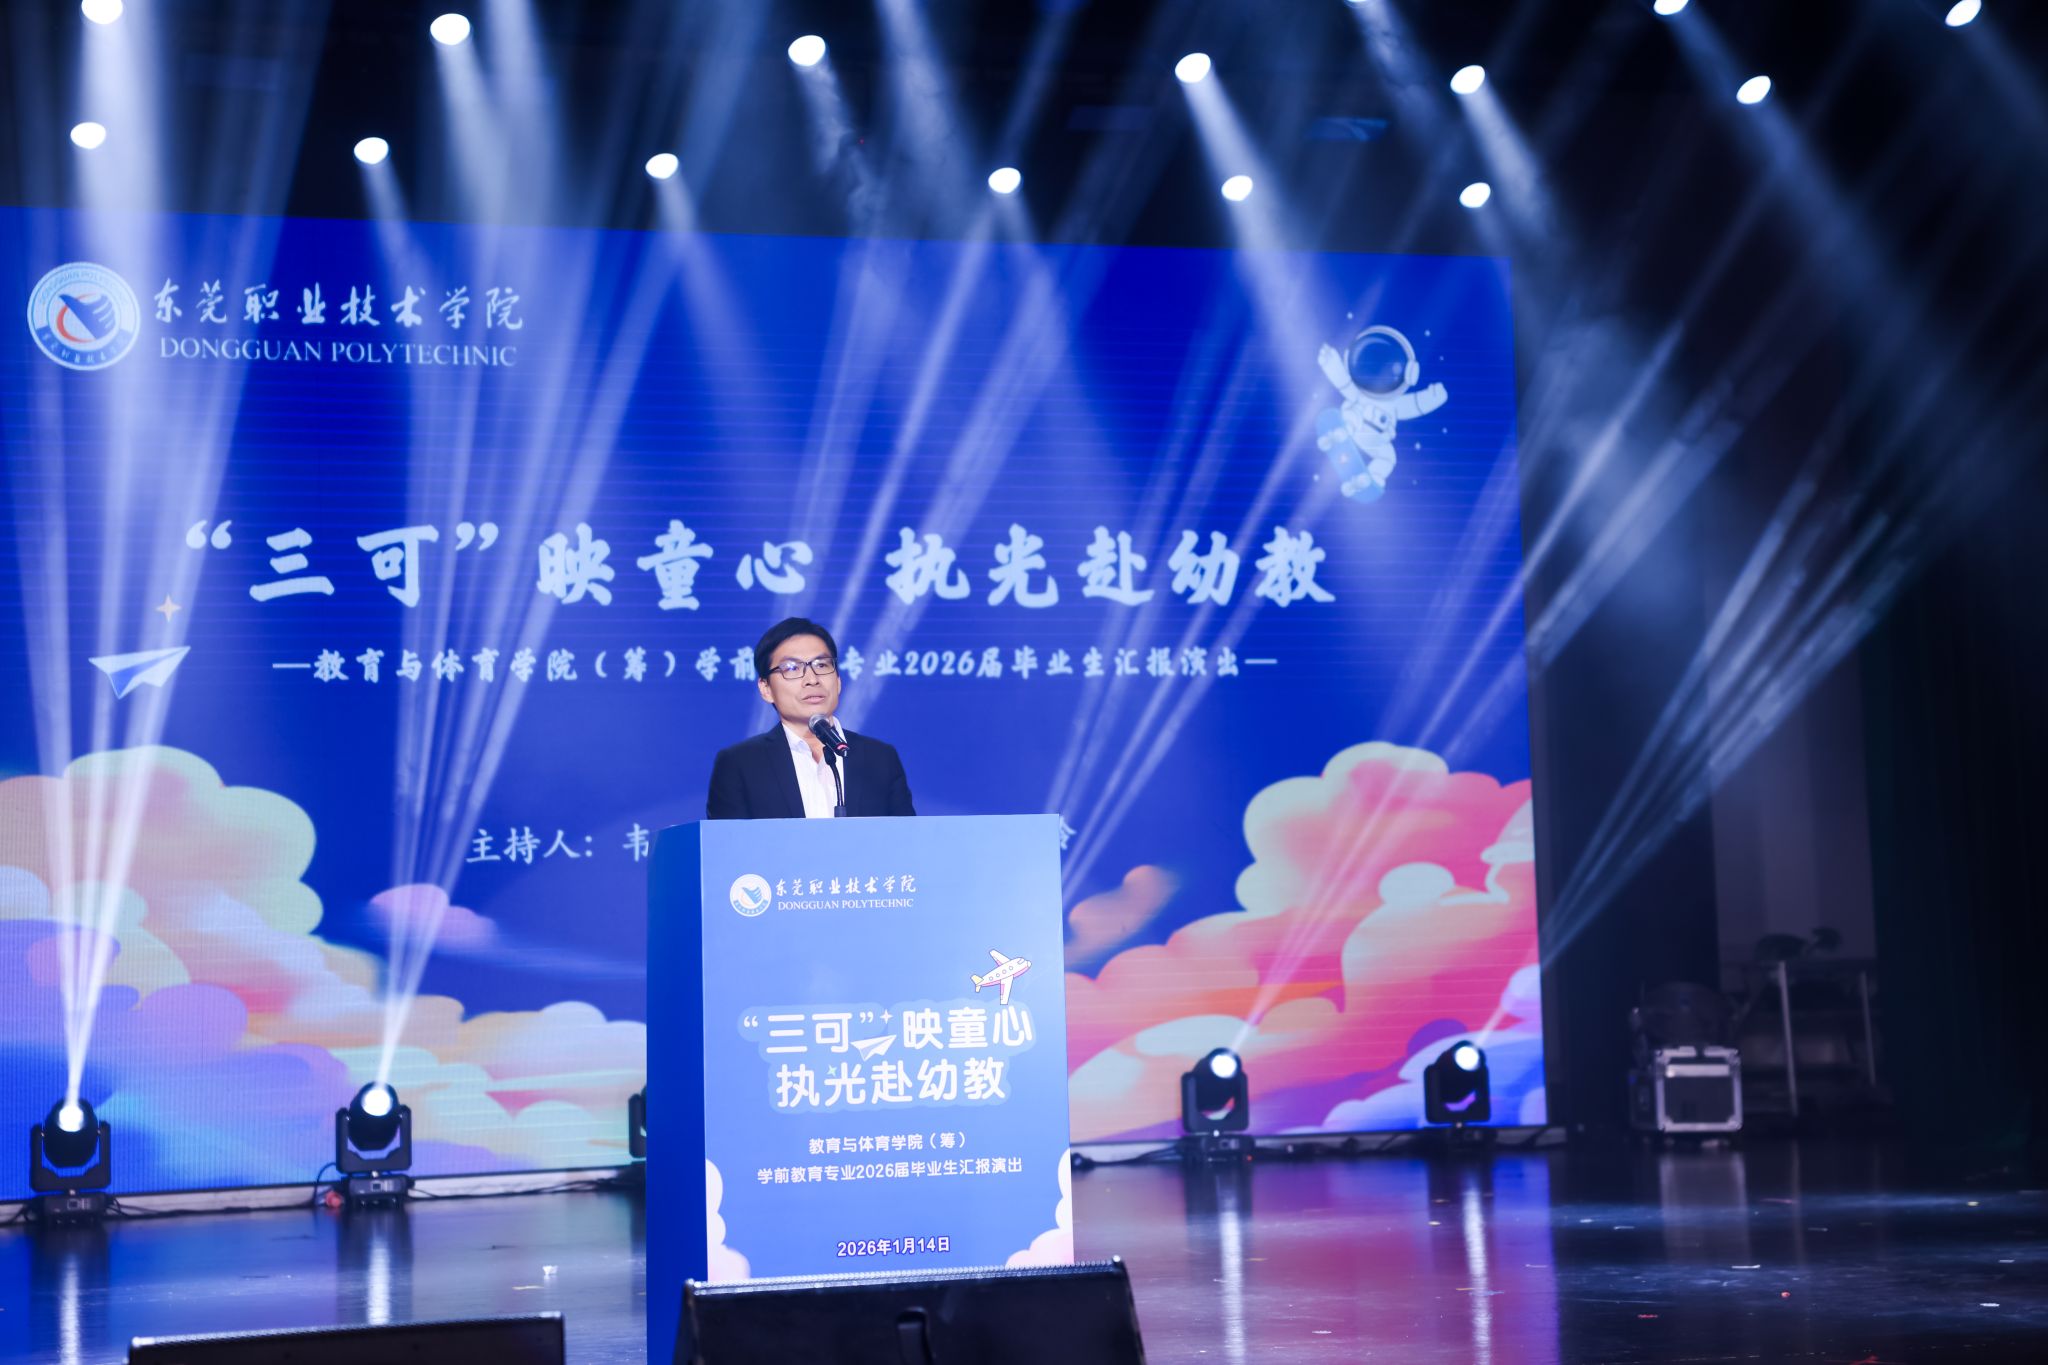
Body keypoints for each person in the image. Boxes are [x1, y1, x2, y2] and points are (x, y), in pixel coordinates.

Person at [705, 617, 916, 820]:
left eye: (821, 665)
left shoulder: (880, 759)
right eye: (792, 668)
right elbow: (728, 843)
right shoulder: (740, 764)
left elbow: (907, 839)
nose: (812, 679)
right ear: (766, 688)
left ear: (838, 680)